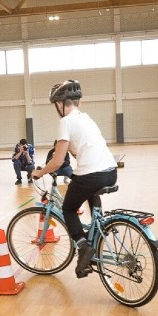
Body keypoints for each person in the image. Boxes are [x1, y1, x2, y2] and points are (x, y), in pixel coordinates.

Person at [32, 80, 117, 279]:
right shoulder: (86, 118)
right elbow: (80, 151)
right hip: (110, 171)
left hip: (90, 175)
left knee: (68, 209)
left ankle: (83, 246)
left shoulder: (65, 121)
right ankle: (97, 232)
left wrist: (40, 172)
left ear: (60, 104)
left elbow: (57, 161)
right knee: (90, 192)